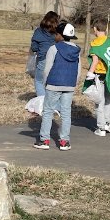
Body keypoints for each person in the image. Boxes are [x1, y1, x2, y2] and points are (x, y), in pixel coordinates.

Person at [34, 22, 80, 150]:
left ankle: (45, 140)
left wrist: (45, 83)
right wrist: (74, 83)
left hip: (54, 83)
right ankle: (64, 141)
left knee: (48, 111)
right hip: (69, 85)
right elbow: (78, 69)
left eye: (56, 34)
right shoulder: (76, 50)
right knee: (66, 113)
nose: (54, 36)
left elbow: (47, 69)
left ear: (60, 35)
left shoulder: (54, 48)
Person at [85, 17, 110, 136]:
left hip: (99, 75)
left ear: (95, 29)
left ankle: (101, 128)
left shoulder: (95, 44)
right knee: (107, 100)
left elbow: (95, 60)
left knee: (99, 102)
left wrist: (89, 74)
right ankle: (107, 123)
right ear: (106, 28)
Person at [29, 10, 59, 98]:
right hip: (56, 60)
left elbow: (34, 48)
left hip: (43, 59)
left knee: (39, 81)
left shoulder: (38, 31)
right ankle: (52, 103)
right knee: (51, 83)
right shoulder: (58, 33)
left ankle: (42, 104)